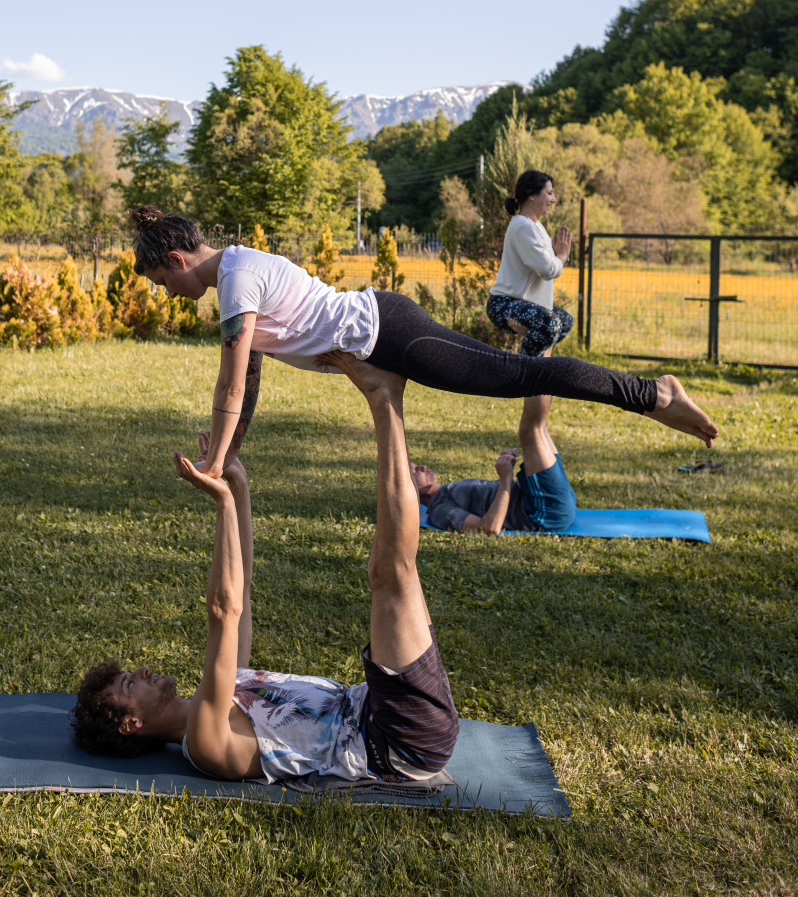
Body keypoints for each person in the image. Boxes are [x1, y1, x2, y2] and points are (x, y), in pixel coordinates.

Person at [71, 354, 460, 786]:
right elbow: (224, 610)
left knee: (394, 571)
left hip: (380, 704)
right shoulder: (205, 740)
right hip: (396, 739)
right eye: (129, 685)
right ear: (131, 725)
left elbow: (244, 587)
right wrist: (220, 505)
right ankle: (385, 397)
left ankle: (386, 394)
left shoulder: (221, 687)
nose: (142, 672)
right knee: (388, 572)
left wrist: (238, 486)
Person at [127, 207, 717, 483]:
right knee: (513, 377)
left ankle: (654, 393)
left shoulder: (235, 280)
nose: (168, 293)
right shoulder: (237, 272)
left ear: (177, 260)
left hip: (390, 335)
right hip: (383, 329)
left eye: (162, 282)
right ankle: (651, 395)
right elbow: (249, 377)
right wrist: (229, 452)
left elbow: (229, 383)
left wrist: (211, 463)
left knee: (517, 378)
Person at [412, 398, 577, 535]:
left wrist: (507, 462)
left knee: (539, 429)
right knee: (530, 430)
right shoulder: (439, 510)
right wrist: (506, 478)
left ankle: (540, 362)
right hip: (545, 511)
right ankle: (536, 363)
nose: (422, 467)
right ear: (409, 490)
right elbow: (488, 528)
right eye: (413, 471)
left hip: (541, 499)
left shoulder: (446, 492)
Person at [486, 170, 574, 358]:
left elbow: (547, 262)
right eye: (549, 193)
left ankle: (539, 370)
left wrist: (555, 253)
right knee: (550, 323)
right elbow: (548, 269)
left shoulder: (535, 226)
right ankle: (524, 376)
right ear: (532, 195)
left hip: (526, 303)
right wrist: (562, 256)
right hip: (505, 303)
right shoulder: (523, 226)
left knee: (564, 320)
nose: (554, 199)